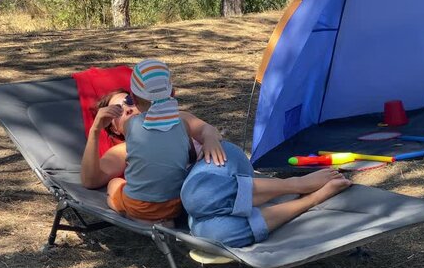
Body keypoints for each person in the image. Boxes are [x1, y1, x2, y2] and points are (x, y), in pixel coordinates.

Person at [181, 141, 352, 248]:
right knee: (217, 236)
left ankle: (295, 184)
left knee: (196, 195)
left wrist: (208, 136)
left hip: (217, 169)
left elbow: (206, 129)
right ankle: (310, 200)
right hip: (192, 216)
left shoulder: (170, 114)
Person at [80, 74, 226, 191]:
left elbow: (207, 130)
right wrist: (95, 130)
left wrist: (210, 139)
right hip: (196, 187)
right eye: (117, 111)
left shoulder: (177, 118)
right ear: (114, 129)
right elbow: (90, 181)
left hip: (218, 164)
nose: (128, 109)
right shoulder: (125, 149)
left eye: (129, 101)